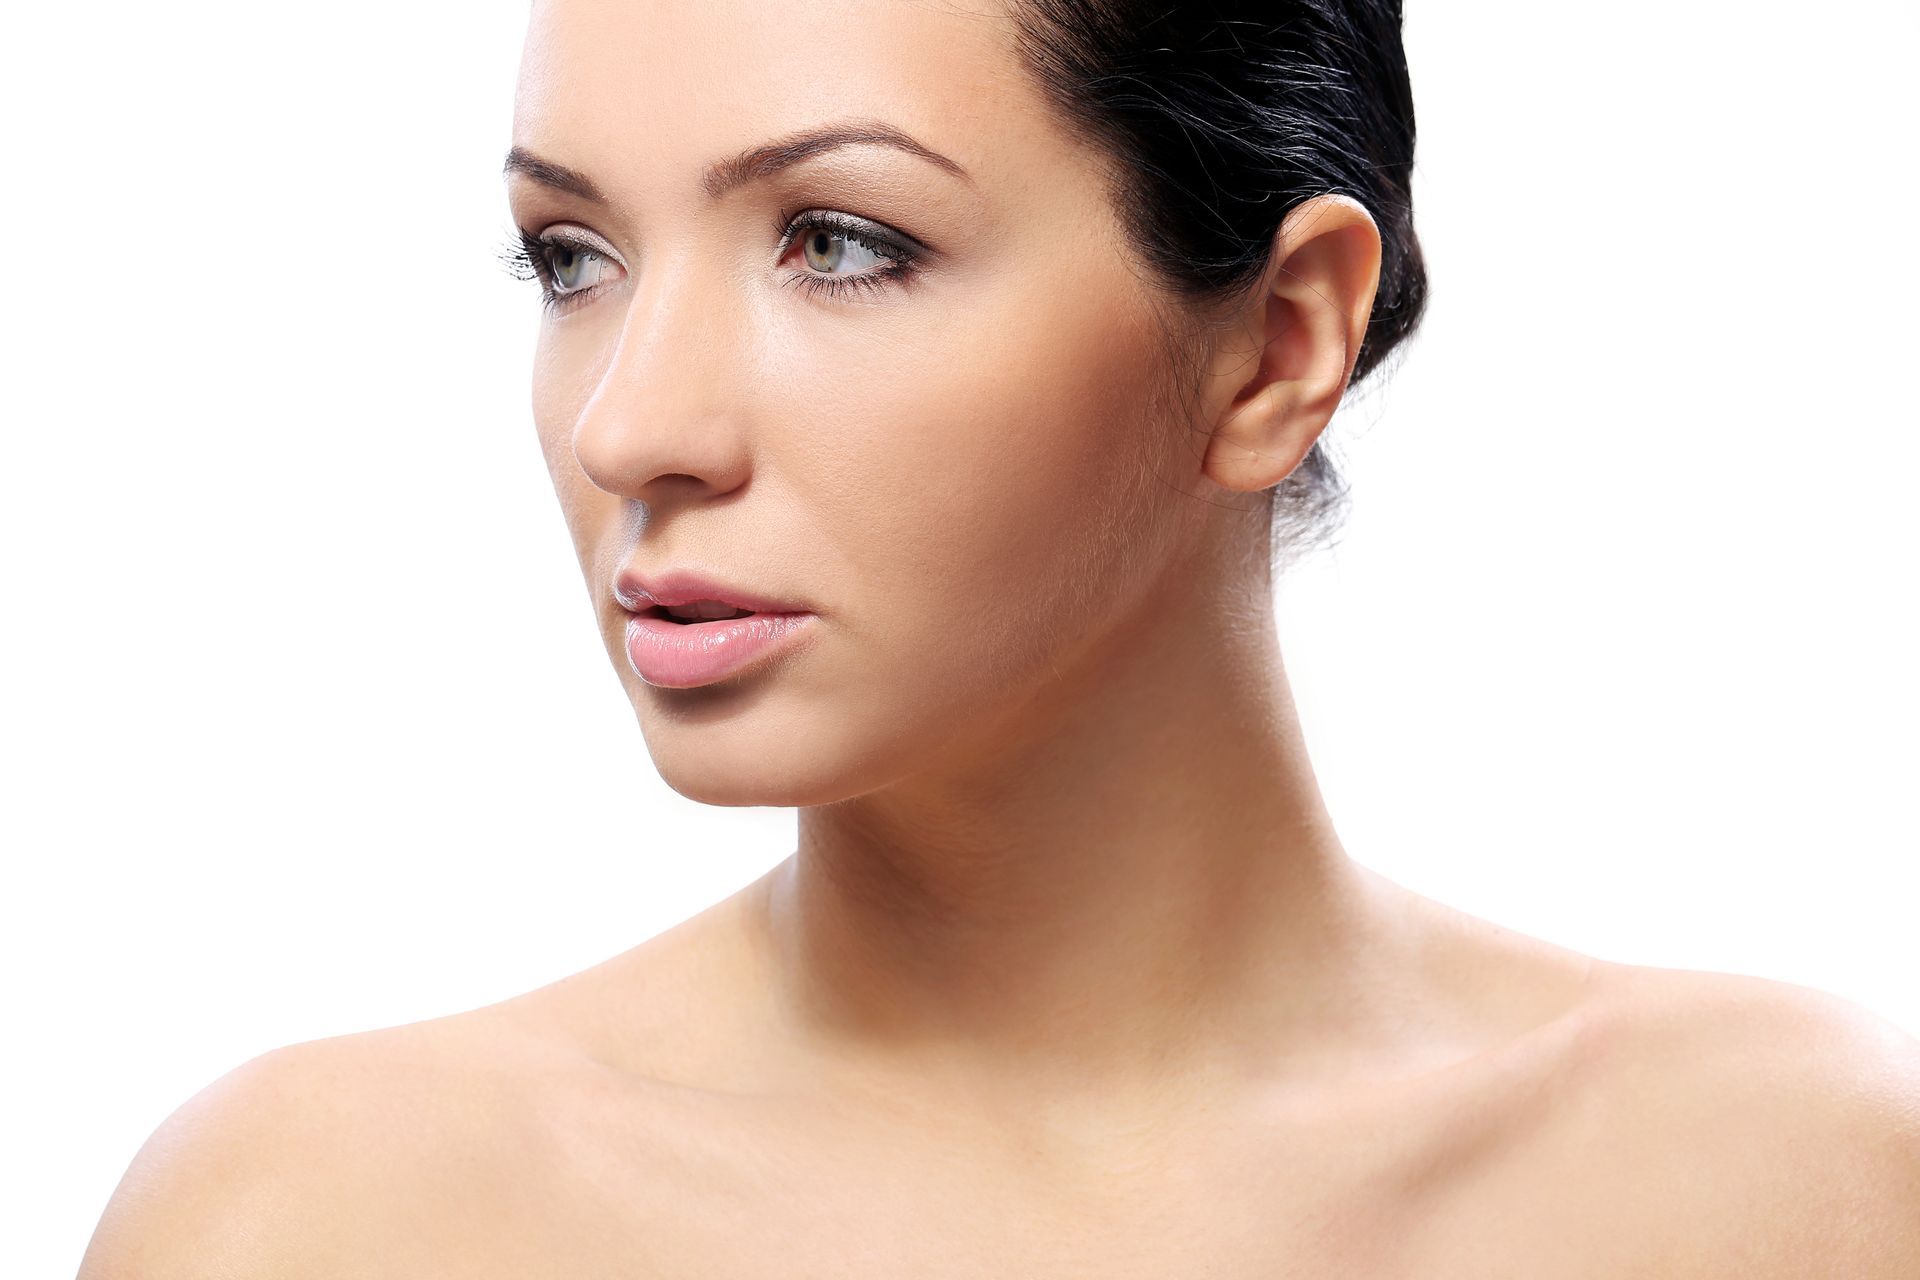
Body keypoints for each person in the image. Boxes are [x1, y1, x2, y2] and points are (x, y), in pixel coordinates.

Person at [80, 0, 1920, 1274]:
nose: (629, 426)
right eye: (570, 257)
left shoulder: (1811, 1195)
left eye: (841, 241)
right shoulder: (310, 1228)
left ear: (1283, 344)